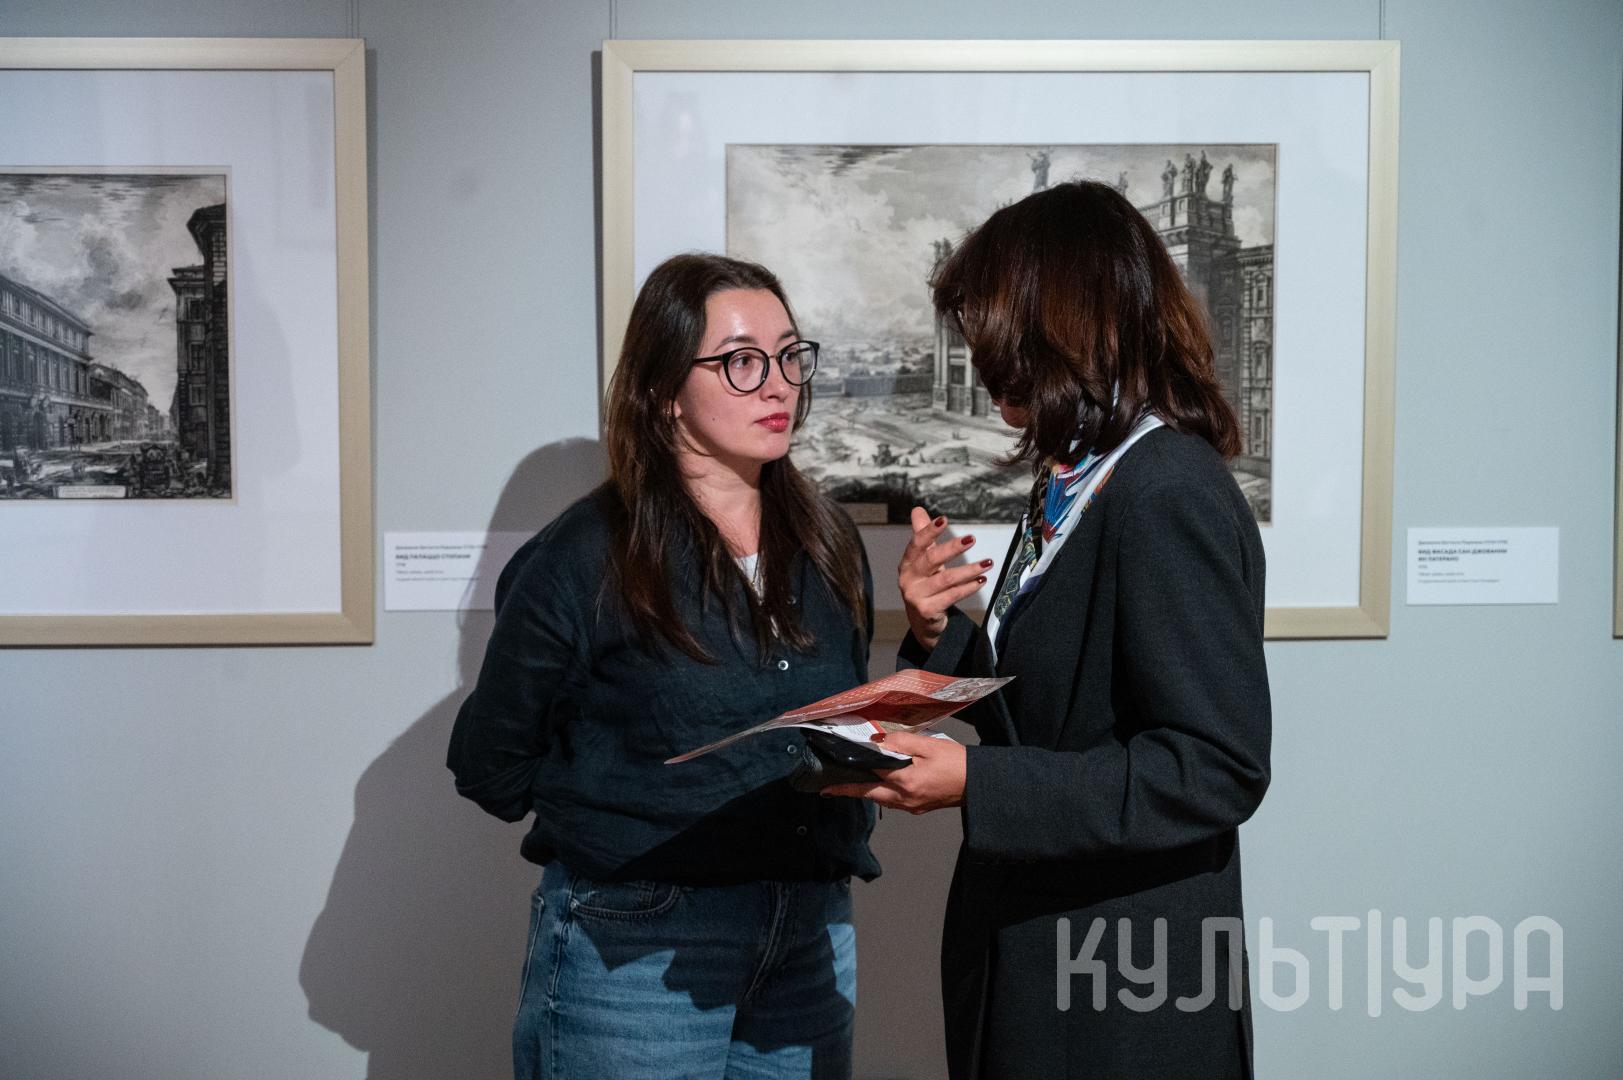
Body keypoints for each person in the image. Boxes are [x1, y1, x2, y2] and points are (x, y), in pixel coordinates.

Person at [824, 180, 1272, 1080]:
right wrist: (939, 632)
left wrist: (975, 782)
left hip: (1119, 985)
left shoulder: (1165, 489)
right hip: (1042, 939)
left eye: (991, 328)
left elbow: (1214, 769)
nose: (978, 354)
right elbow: (1058, 711)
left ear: (1060, 321)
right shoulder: (1082, 476)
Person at [448, 252, 877, 1080]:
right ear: (664, 388)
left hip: (809, 931)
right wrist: (642, 815)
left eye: (789, 356)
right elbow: (490, 766)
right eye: (741, 362)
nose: (778, 385)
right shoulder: (587, 554)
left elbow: (840, 720)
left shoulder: (826, 538)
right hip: (640, 943)